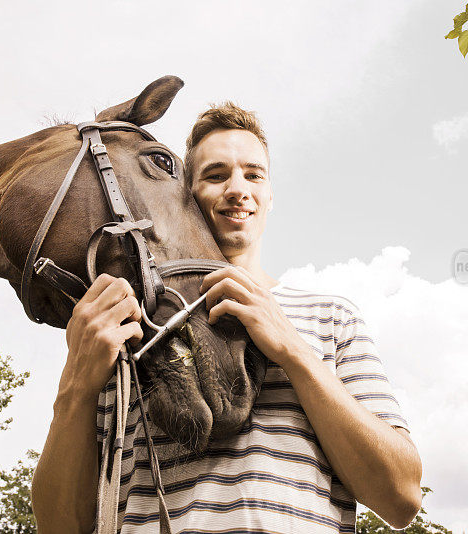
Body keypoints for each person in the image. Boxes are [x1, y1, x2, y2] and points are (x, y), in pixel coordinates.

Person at [31, 103, 422, 533]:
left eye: (254, 174)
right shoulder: (123, 327)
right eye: (216, 175)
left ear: (270, 195)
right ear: (186, 197)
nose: (238, 188)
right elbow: (59, 528)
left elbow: (400, 498)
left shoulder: (331, 317)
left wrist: (292, 349)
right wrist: (75, 384)